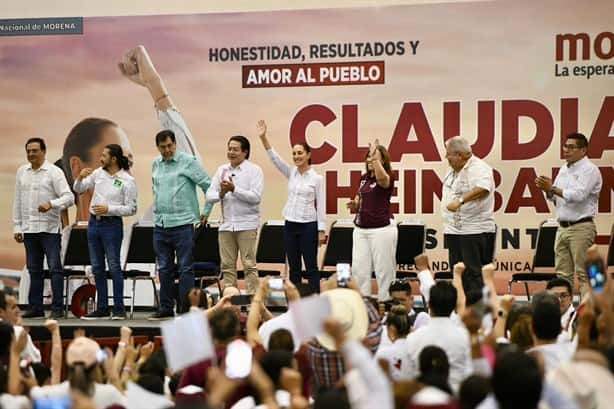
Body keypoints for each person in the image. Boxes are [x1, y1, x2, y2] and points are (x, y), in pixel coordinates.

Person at [256, 120, 326, 293]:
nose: (296, 156)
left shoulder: (317, 179)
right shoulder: (291, 172)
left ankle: (314, 299)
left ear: (309, 155)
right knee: (294, 267)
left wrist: (321, 230)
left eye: (300, 153)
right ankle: (294, 302)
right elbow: (275, 159)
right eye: (294, 153)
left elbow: (322, 204)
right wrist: (264, 138)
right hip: (290, 225)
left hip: (308, 226)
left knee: (310, 267)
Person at [149, 129, 211, 320]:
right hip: (161, 224)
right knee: (164, 268)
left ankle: (186, 309)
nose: (167, 150)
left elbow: (208, 185)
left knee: (185, 268)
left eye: (169, 146)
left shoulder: (188, 161)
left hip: (183, 223)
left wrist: (206, 212)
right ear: (158, 147)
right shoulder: (155, 164)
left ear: (175, 144)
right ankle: (166, 308)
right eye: (162, 147)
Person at [73, 144, 137, 320]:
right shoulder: (98, 173)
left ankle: (118, 308)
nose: (101, 158)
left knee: (114, 266)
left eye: (104, 155)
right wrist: (79, 178)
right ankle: (102, 307)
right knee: (97, 268)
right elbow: (79, 189)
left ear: (114, 159)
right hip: (94, 224)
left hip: (112, 225)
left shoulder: (127, 180)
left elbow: (131, 208)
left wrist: (109, 209)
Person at [13, 137, 74, 319]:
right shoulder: (22, 172)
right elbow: (18, 200)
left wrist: (52, 204)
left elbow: (69, 197)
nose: (31, 154)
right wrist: (17, 226)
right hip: (30, 229)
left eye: (34, 150)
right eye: (28, 151)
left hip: (49, 229)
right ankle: (36, 307)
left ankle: (57, 308)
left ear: (44, 152)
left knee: (55, 268)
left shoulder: (54, 172)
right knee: (34, 269)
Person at [536, 132, 602, 296]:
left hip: (581, 227)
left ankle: (589, 314)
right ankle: (564, 314)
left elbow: (578, 196)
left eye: (571, 147)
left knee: (585, 274)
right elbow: (555, 197)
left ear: (583, 150)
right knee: (562, 276)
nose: (566, 150)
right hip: (562, 227)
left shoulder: (590, 170)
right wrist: (547, 190)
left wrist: (552, 188)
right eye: (565, 146)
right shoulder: (563, 168)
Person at [206, 135, 264, 294]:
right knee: (227, 266)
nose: (231, 152)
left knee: (249, 265)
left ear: (245, 152)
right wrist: (221, 193)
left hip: (247, 224)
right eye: (229, 149)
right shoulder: (221, 170)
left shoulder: (254, 170)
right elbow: (209, 195)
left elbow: (255, 197)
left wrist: (234, 189)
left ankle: (254, 303)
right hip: (226, 225)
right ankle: (230, 302)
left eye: (235, 149)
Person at [441, 136, 496, 303]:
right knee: (458, 272)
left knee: (474, 276)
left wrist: (460, 201)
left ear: (460, 155)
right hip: (455, 231)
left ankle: (478, 313)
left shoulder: (479, 168)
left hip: (474, 231)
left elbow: (483, 189)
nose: (446, 158)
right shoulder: (453, 170)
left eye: (449, 154)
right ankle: (462, 309)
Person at [346, 141, 397, 301]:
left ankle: (386, 304)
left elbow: (382, 181)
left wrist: (375, 160)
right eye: (368, 157)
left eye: (374, 157)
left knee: (384, 270)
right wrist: (355, 204)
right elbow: (359, 198)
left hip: (381, 229)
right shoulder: (363, 178)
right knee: (359, 270)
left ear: (382, 161)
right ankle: (364, 305)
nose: (370, 160)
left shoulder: (388, 176)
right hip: (361, 229)